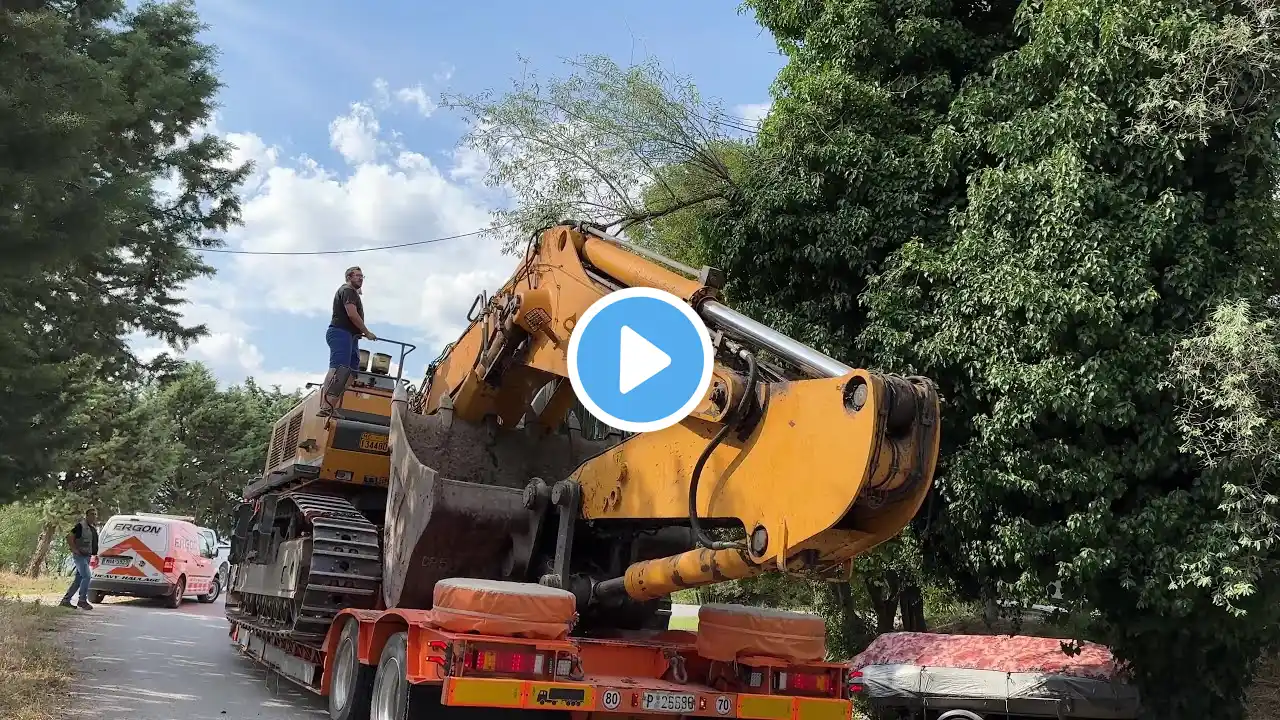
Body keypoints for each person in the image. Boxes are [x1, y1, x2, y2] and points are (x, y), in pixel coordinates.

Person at [320, 266, 376, 417]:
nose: (360, 278)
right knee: (339, 368)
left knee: (352, 372)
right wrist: (366, 331)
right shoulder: (347, 290)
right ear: (348, 277)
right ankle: (325, 405)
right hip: (340, 333)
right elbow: (351, 314)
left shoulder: (353, 293)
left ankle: (331, 404)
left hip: (351, 337)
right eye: (357, 276)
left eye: (362, 276)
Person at [59, 508, 98, 610]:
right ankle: (82, 600)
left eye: (95, 514)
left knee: (78, 579)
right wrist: (74, 549)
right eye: (91, 514)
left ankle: (66, 600)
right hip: (80, 556)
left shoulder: (92, 528)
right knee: (87, 576)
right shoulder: (80, 526)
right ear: (87, 515)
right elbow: (69, 536)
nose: (93, 516)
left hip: (87, 556)